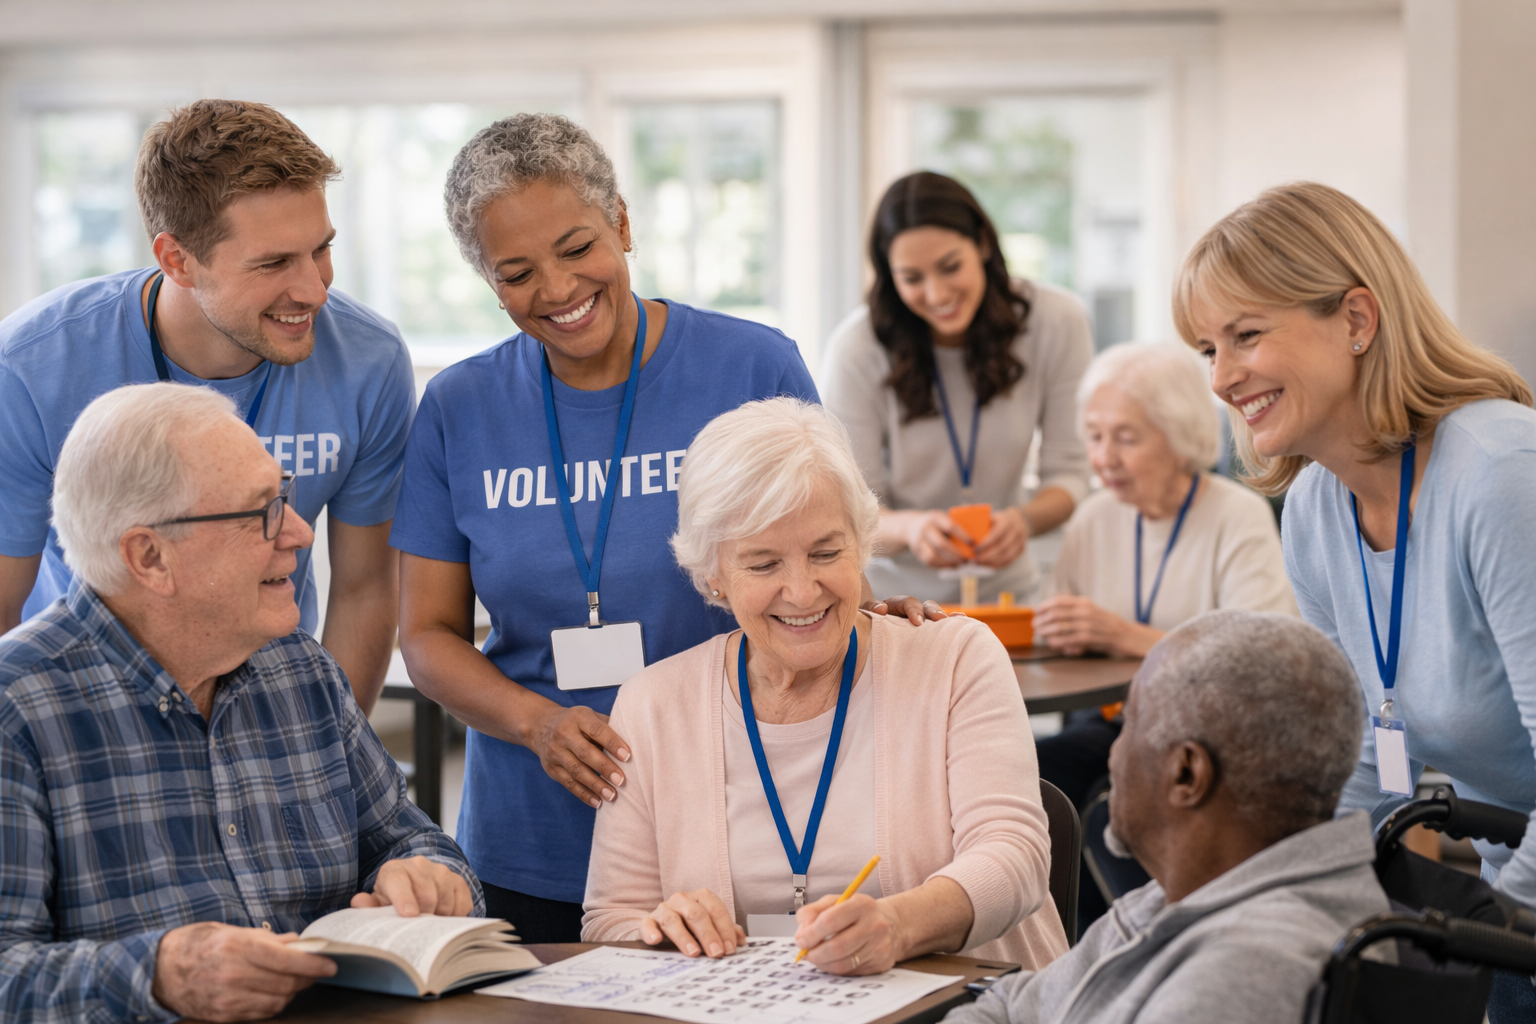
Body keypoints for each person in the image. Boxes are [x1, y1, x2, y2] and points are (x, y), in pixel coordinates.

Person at [392, 114, 938, 945]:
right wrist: (535, 723)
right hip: (530, 834)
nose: (558, 289)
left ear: (621, 222)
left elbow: (822, 549)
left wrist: (872, 615)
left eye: (577, 248)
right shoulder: (457, 410)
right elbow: (426, 636)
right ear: (488, 281)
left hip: (733, 822)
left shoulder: (751, 367)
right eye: (517, 272)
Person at [0, 383, 479, 1024]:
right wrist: (161, 976)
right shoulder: (18, 711)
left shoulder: (300, 670)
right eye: (263, 512)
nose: (302, 533)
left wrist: (426, 877)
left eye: (285, 496)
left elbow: (409, 840)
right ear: (150, 557)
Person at [1177, 181, 1536, 1021]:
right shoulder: (1315, 508)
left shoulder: (1498, 475)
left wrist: (1479, 947)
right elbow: (1359, 771)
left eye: (1247, 334)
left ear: (1358, 321)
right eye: (1207, 349)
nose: (1224, 378)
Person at [583, 398, 1068, 972]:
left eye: (826, 552)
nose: (803, 591)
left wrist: (899, 925)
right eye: (763, 565)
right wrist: (662, 931)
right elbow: (609, 923)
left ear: (862, 544)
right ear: (712, 575)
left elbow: (1015, 857)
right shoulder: (653, 704)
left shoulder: (956, 657)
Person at [0, 99, 412, 712]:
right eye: (273, 263)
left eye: (320, 249)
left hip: (270, 703)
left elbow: (364, 589)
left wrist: (326, 753)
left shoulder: (369, 361)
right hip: (85, 709)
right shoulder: (33, 367)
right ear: (177, 260)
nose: (314, 289)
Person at [945, 610, 1389, 1024]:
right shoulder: (1172, 897)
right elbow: (1010, 1005)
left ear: (1186, 773)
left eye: (1130, 725)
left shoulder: (1243, 973)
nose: (1114, 753)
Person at [1034, 340, 1297, 813]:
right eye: (1094, 436)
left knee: (1108, 803)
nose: (1104, 457)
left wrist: (1121, 634)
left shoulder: (1236, 514)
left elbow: (1259, 662)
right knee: (1033, 779)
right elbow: (1054, 635)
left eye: (1126, 438)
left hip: (1206, 733)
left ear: (1180, 439)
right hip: (1113, 723)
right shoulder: (1094, 518)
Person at [822, 171, 1093, 604]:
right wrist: (913, 529)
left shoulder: (1057, 322)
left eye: (951, 267)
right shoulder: (857, 348)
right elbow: (850, 512)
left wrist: (1023, 522)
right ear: (889, 276)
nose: (937, 292)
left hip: (1009, 602)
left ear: (984, 244)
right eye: (912, 278)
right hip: (898, 606)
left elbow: (1069, 474)